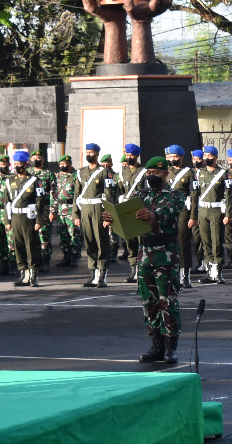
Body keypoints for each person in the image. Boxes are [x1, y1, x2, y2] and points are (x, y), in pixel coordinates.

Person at [118, 156, 185, 364]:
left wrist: (153, 215)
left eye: (156, 173)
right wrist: (113, 220)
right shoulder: (140, 195)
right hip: (145, 255)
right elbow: (128, 220)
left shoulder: (175, 195)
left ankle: (170, 346)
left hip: (165, 255)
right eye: (148, 173)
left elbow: (171, 211)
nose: (151, 176)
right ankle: (155, 345)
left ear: (165, 174)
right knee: (149, 302)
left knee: (168, 301)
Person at [75, 143, 115, 287]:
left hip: (99, 208)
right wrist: (75, 214)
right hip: (85, 208)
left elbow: (109, 195)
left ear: (97, 154)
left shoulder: (105, 172)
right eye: (87, 152)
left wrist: (108, 215)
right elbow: (77, 195)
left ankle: (103, 275)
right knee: (89, 241)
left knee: (101, 241)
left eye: (91, 152)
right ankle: (93, 274)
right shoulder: (80, 173)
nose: (89, 155)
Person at [5, 150, 47, 287]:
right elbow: (7, 202)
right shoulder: (9, 181)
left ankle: (33, 274)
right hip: (16, 217)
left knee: (31, 245)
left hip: (29, 218)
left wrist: (39, 221)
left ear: (26, 164)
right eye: (15, 163)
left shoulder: (35, 181)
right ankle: (23, 273)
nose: (17, 166)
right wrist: (8, 220)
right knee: (18, 245)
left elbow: (40, 202)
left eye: (20, 164)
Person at [192, 145, 230, 284]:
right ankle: (209, 273)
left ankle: (218, 273)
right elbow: (195, 194)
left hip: (216, 212)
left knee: (217, 242)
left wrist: (227, 214)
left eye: (210, 156)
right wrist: (194, 215)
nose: (207, 158)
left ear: (215, 157)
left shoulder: (223, 173)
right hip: (202, 212)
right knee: (206, 242)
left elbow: (229, 195)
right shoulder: (199, 173)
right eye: (205, 156)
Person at [166, 145, 198, 288]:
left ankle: (185, 275)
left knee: (183, 243)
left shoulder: (189, 173)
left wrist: (193, 216)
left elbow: (194, 195)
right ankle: (172, 273)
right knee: (169, 243)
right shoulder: (166, 172)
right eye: (171, 157)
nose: (173, 160)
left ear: (182, 157)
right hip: (168, 210)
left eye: (175, 157)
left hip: (184, 210)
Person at [116, 143, 146, 282]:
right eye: (127, 155)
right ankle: (133, 269)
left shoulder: (144, 172)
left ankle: (142, 270)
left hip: (139, 209)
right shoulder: (123, 172)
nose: (129, 158)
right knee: (130, 241)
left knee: (141, 241)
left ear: (137, 156)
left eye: (131, 155)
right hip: (126, 208)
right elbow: (119, 189)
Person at [52, 155, 80, 268]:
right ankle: (66, 257)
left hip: (71, 208)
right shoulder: (57, 176)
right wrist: (52, 211)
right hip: (60, 209)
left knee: (74, 234)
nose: (64, 165)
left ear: (70, 163)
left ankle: (74, 257)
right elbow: (53, 194)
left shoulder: (76, 176)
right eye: (62, 163)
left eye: (66, 163)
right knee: (62, 235)